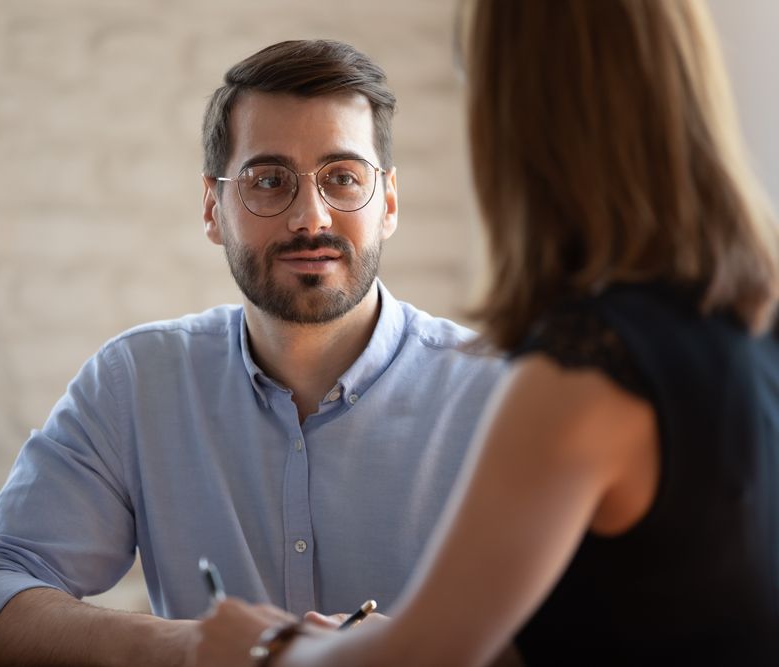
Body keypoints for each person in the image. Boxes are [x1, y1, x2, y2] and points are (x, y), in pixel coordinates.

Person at [191, 1, 779, 666]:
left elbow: (426, 655)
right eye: (270, 179)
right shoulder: (749, 321)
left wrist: (265, 647)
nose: (309, 216)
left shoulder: (585, 370)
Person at [0, 39, 506, 667]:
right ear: (214, 208)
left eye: (343, 178)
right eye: (268, 181)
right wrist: (187, 646)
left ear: (388, 202)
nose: (309, 218)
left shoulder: (497, 393)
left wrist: (414, 651)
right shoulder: (137, 383)